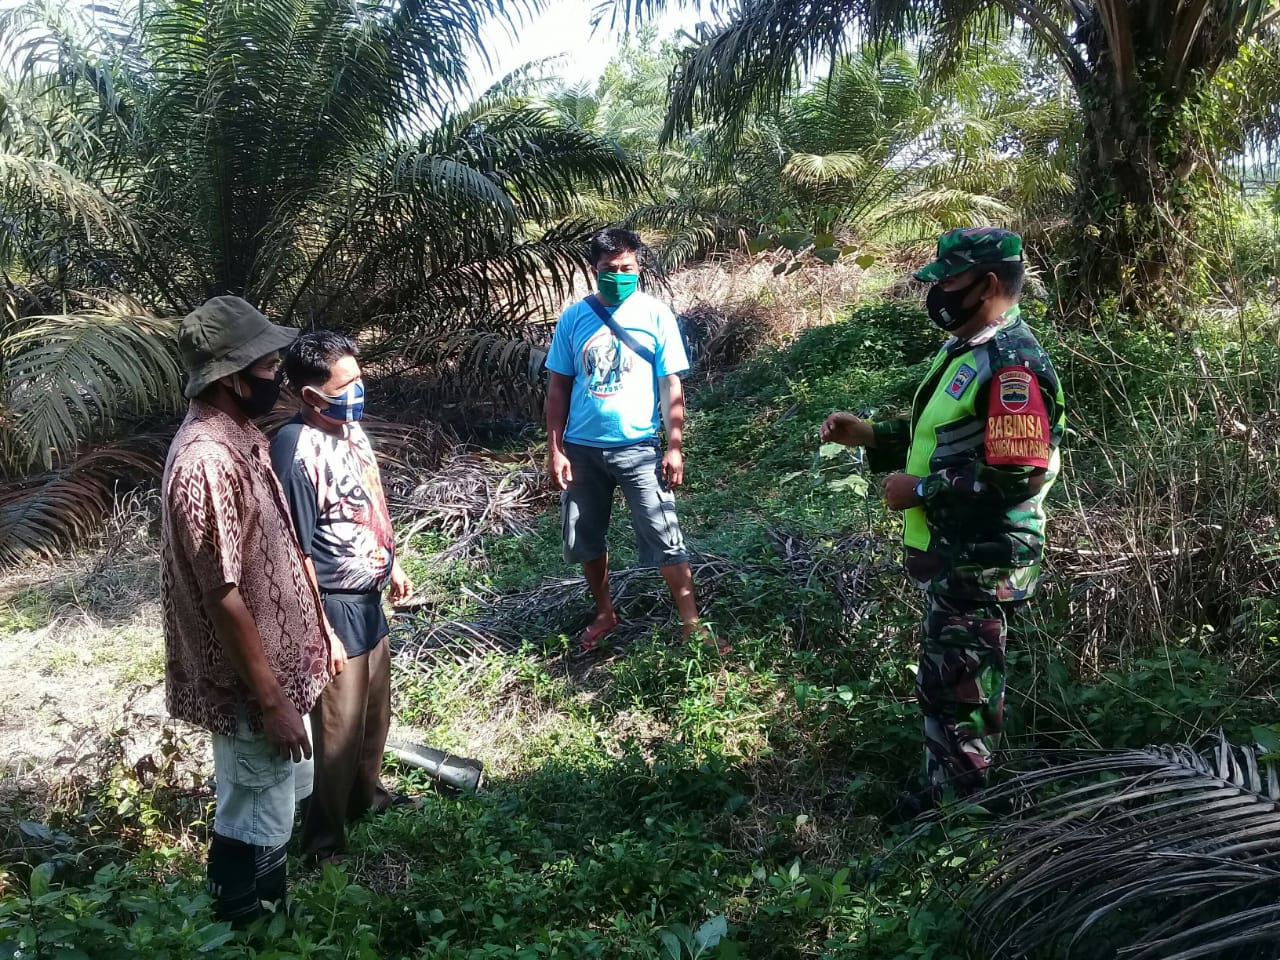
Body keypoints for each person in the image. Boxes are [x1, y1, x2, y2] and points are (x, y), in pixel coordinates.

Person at [821, 227, 1065, 800]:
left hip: (984, 557)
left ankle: (961, 816)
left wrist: (924, 490)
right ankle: (944, 790)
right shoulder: (970, 348)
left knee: (965, 693)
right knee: (945, 681)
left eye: (948, 280)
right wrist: (873, 436)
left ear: (984, 285)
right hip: (955, 553)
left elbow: (1017, 471)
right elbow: (949, 436)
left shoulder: (1011, 367)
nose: (937, 292)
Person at [161, 296, 340, 924]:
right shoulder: (206, 461)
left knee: (267, 805)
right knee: (255, 815)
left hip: (275, 681)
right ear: (232, 378)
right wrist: (271, 700)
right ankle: (252, 927)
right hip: (251, 692)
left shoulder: (238, 437)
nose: (278, 377)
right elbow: (223, 594)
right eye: (266, 367)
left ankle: (250, 916)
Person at [271, 331, 414, 864]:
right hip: (332, 603)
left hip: (368, 596)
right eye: (346, 383)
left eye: (358, 377)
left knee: (375, 712)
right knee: (338, 729)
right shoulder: (295, 448)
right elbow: (295, 550)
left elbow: (366, 498)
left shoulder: (349, 430)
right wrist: (320, 628)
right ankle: (323, 842)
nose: (358, 390)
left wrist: (390, 558)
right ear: (311, 396)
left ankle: (367, 797)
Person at [545, 227, 711, 650]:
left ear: (638, 267)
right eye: (608, 269)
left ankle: (692, 623)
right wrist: (556, 449)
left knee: (663, 531)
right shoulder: (574, 318)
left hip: (638, 448)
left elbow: (671, 385)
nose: (618, 275)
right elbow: (558, 387)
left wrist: (674, 446)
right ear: (594, 269)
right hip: (582, 450)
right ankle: (605, 613)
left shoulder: (656, 315)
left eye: (626, 268)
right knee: (585, 536)